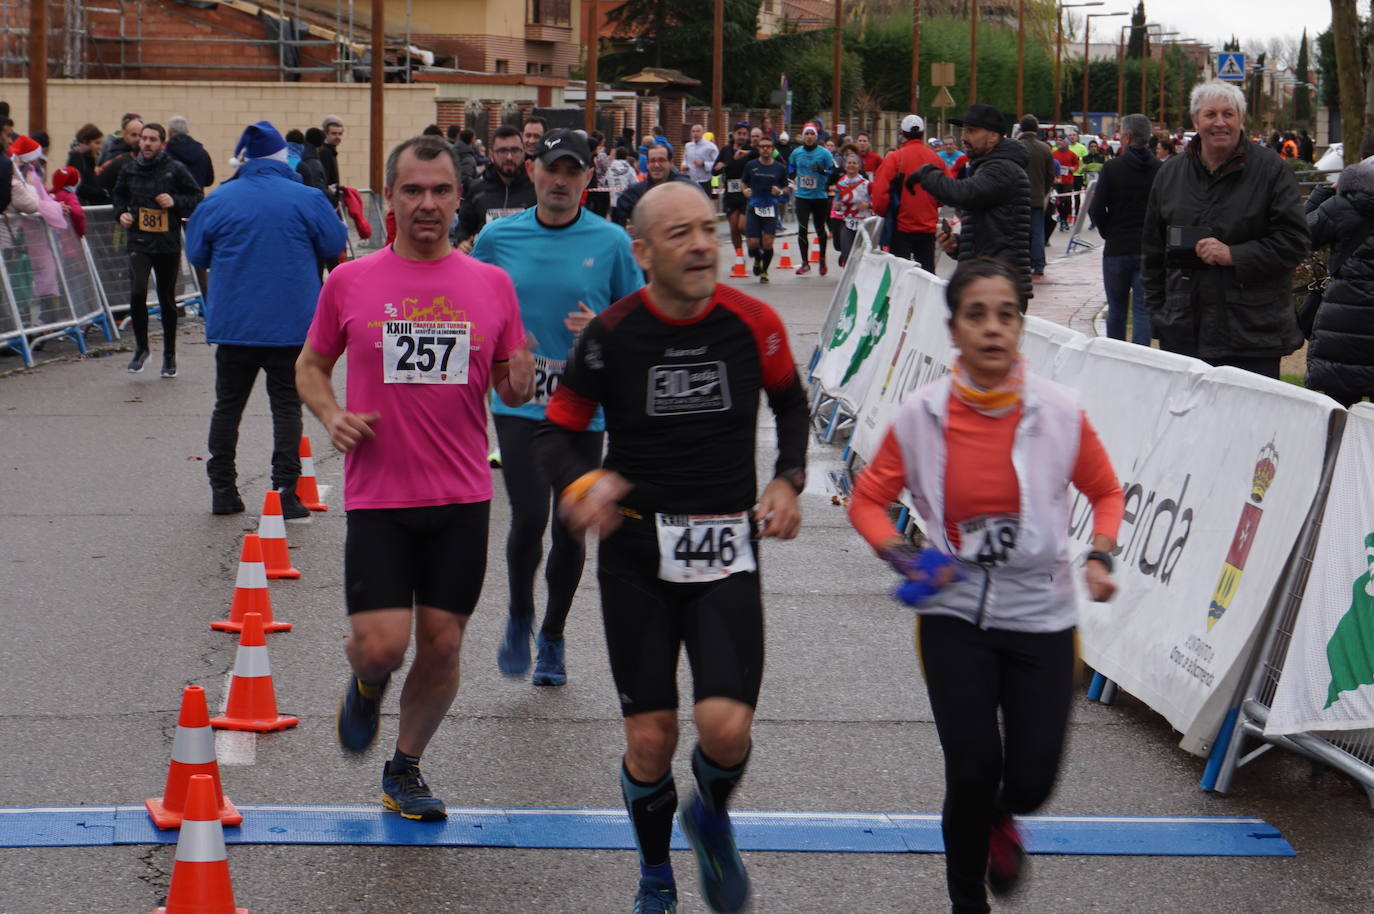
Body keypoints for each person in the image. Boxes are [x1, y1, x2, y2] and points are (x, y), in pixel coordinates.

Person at [532, 180, 807, 914]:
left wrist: (787, 480)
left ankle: (710, 815)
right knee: (650, 739)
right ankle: (655, 872)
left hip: (724, 550)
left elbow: (790, 400)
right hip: (636, 556)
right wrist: (580, 485)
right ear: (643, 252)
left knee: (725, 727)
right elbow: (557, 430)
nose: (702, 245)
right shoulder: (613, 334)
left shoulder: (754, 322)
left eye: (709, 229)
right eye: (680, 234)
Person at [847, 256, 1122, 914]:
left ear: (1022, 325)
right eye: (977, 315)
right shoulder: (922, 416)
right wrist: (904, 556)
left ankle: (1005, 814)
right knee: (970, 771)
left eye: (1007, 315)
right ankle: (965, 899)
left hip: (1042, 613)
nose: (994, 328)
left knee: (1027, 783)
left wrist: (1100, 557)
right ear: (954, 331)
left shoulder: (1058, 412)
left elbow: (1106, 491)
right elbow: (866, 501)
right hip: (953, 612)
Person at [296, 134, 534, 822]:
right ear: (390, 199)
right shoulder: (351, 281)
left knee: (443, 643)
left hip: (462, 495)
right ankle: (367, 686)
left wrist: (519, 380)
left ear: (459, 197)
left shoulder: (490, 284)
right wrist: (331, 413)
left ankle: (405, 768)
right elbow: (309, 367)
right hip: (379, 496)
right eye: (412, 191)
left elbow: (509, 383)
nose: (426, 204)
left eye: (440, 191)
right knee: (381, 647)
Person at [469, 128, 641, 686]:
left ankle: (553, 634)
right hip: (519, 401)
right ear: (534, 172)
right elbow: (475, 309)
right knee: (528, 515)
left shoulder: (611, 241)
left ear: (589, 179)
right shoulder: (499, 240)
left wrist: (603, 329)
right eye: (553, 169)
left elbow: (637, 318)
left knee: (572, 523)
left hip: (582, 404)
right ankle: (520, 614)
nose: (561, 181)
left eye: (574, 172)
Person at [186, 121, 348, 517]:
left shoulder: (218, 200)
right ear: (281, 157)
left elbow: (197, 254)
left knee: (227, 406)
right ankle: (286, 494)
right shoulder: (307, 198)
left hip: (235, 324)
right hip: (290, 325)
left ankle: (223, 489)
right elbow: (332, 244)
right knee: (287, 407)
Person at [1141, 81, 1308, 377]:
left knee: (1251, 424)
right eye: (1210, 114)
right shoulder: (1170, 174)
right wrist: (1160, 315)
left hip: (1252, 336)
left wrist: (1234, 254)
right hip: (1183, 334)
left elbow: (1294, 242)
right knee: (1185, 424)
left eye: (1228, 114)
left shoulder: (1272, 171)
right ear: (1195, 121)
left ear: (1241, 119)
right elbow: (1153, 253)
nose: (1220, 123)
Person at [910, 104, 1034, 304]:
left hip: (999, 287)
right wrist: (958, 246)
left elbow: (963, 193)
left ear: (993, 136)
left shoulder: (1001, 168)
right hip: (988, 279)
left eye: (971, 131)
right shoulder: (991, 166)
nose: (964, 137)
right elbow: (991, 233)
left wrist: (927, 174)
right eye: (963, 130)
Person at [112, 122, 203, 376]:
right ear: (139, 142)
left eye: (153, 139)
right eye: (144, 139)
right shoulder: (129, 170)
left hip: (166, 242)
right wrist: (121, 214)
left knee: (166, 299)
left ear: (162, 143)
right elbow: (118, 196)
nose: (148, 143)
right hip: (139, 241)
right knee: (138, 292)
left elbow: (197, 195)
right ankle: (142, 348)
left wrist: (175, 201)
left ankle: (169, 355)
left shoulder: (175, 169)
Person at [1297, 160, 1374, 406]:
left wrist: (1322, 194)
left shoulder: (1342, 207)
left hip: (1344, 320)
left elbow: (1298, 234)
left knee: (1340, 413)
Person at [1088, 113, 1159, 345]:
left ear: (1127, 137)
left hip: (1117, 248)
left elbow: (1096, 208)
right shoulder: (1160, 169)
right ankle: (1141, 363)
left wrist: (1109, 232)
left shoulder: (1113, 168)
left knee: (1116, 309)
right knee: (1142, 310)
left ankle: (1115, 358)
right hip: (1148, 248)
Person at [871, 114, 948, 272]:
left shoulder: (895, 158)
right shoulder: (936, 159)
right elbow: (947, 190)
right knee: (927, 274)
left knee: (897, 274)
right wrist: (933, 204)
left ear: (902, 133)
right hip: (927, 226)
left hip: (901, 226)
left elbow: (880, 193)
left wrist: (883, 212)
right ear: (923, 133)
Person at [455, 125, 536, 249]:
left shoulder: (537, 189)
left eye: (515, 150)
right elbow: (464, 227)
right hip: (486, 263)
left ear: (524, 152)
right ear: (491, 154)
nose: (509, 157)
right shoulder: (477, 190)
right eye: (503, 151)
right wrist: (462, 242)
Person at [786, 123, 836, 276]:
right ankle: (805, 263)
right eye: (806, 134)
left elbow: (833, 171)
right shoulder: (796, 152)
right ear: (803, 136)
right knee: (802, 229)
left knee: (820, 229)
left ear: (816, 136)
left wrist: (822, 171)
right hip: (802, 197)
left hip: (820, 197)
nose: (809, 137)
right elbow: (791, 167)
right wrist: (790, 176)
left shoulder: (824, 153)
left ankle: (822, 259)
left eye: (811, 134)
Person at [740, 134, 790, 283]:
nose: (765, 149)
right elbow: (743, 182)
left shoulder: (779, 168)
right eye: (763, 147)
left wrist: (780, 192)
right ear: (759, 148)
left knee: (768, 242)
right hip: (754, 207)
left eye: (768, 147)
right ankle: (757, 259)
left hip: (771, 208)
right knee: (752, 244)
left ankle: (764, 272)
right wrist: (745, 191)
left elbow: (787, 187)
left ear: (773, 149)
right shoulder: (751, 165)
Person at [611, 143, 692, 230]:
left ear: (671, 163)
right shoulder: (632, 195)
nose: (656, 165)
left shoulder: (687, 191)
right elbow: (618, 227)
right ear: (647, 164)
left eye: (661, 160)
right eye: (652, 161)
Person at [1015, 115, 1055, 278]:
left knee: (1019, 232)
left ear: (1021, 128)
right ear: (1037, 128)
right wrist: (1044, 192)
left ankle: (1022, 263)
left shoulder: (1015, 147)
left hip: (1017, 197)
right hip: (1038, 196)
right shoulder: (1045, 148)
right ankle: (1039, 264)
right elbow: (1051, 175)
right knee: (1038, 232)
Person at [713, 124, 756, 257]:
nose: (741, 136)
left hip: (746, 193)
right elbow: (714, 171)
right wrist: (718, 168)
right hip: (730, 194)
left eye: (744, 134)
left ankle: (754, 242)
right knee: (734, 227)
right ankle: (739, 257)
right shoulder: (725, 150)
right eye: (739, 133)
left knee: (742, 226)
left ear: (747, 136)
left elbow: (761, 155)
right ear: (733, 134)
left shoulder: (751, 151)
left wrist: (747, 153)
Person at [831, 150, 873, 267]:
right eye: (849, 163)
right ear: (845, 166)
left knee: (863, 255)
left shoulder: (867, 184)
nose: (851, 165)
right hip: (848, 222)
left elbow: (876, 202)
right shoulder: (840, 184)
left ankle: (860, 276)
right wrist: (837, 206)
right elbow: (837, 204)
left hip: (864, 224)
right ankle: (849, 276)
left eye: (854, 163)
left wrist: (868, 205)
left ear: (859, 167)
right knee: (847, 252)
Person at [95, 116, 142, 200]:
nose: (138, 139)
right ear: (125, 135)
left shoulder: (137, 156)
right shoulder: (116, 156)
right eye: (134, 135)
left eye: (141, 135)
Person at [165, 116, 214, 189]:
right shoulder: (203, 153)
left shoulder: (164, 154)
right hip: (197, 198)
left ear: (169, 132)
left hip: (171, 198)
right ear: (187, 131)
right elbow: (209, 180)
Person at [66, 123, 109, 205]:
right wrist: (101, 192)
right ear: (86, 142)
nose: (100, 147)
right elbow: (79, 186)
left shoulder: (88, 158)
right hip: (84, 204)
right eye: (97, 143)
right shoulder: (77, 158)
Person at [1050, 134, 1079, 231]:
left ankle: (1064, 219)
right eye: (1057, 140)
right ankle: (1062, 219)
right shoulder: (1054, 154)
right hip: (1057, 181)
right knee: (1058, 201)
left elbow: (1076, 165)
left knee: (1066, 201)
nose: (1059, 142)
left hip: (1068, 181)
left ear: (1066, 142)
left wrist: (1073, 168)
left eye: (1061, 140)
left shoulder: (1071, 154)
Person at [682, 123, 718, 198]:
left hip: (705, 181)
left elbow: (717, 164)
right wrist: (684, 165)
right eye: (693, 131)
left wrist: (704, 164)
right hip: (691, 180)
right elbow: (686, 159)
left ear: (702, 133)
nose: (695, 133)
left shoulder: (710, 146)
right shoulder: (688, 146)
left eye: (698, 131)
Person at [296, 127, 330, 197]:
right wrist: (332, 196)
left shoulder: (299, 156)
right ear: (320, 144)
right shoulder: (314, 163)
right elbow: (318, 189)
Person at [320, 114, 344, 205]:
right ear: (326, 134)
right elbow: (325, 179)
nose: (337, 137)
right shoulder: (325, 152)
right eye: (334, 134)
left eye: (340, 134)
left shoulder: (330, 151)